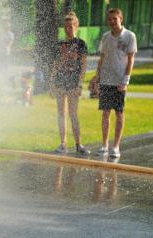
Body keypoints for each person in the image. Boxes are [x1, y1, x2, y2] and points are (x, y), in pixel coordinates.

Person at [92, 8, 137, 158]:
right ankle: (104, 145)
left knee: (119, 112)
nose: (112, 22)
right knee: (105, 113)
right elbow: (102, 58)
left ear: (121, 19)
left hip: (119, 81)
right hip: (106, 79)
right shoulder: (105, 37)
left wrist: (126, 80)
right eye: (109, 19)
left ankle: (115, 147)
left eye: (115, 19)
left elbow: (131, 59)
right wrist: (97, 77)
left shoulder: (130, 36)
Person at [49, 12, 90, 155]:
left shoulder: (81, 44)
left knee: (73, 114)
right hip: (60, 81)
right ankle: (63, 143)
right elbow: (55, 66)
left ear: (76, 26)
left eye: (71, 26)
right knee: (61, 113)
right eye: (66, 26)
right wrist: (51, 83)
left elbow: (84, 66)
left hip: (73, 83)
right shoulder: (60, 44)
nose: (68, 29)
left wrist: (80, 84)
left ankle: (79, 144)